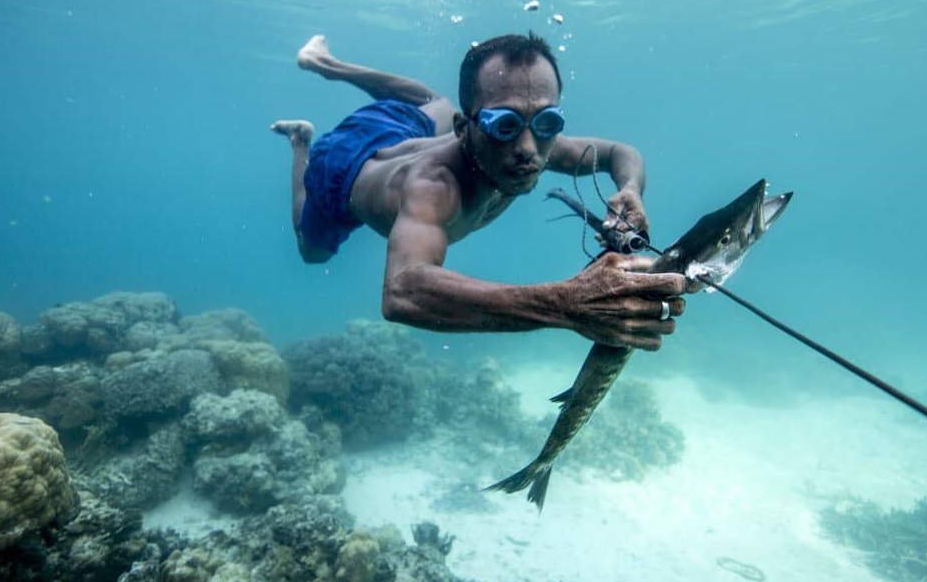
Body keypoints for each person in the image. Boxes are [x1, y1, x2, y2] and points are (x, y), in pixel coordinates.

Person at [271, 33, 687, 351]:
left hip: (397, 126)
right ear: (464, 129)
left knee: (432, 101)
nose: (527, 150)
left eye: (546, 123)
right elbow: (402, 292)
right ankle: (300, 142)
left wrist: (631, 189)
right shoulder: (435, 187)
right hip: (339, 169)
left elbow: (619, 153)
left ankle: (326, 63)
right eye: (503, 125)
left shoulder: (532, 143)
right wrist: (566, 303)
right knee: (312, 250)